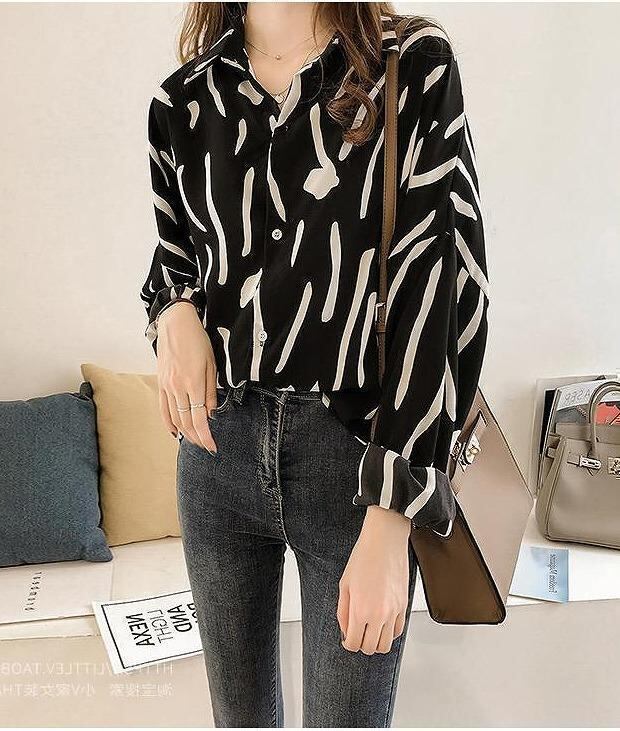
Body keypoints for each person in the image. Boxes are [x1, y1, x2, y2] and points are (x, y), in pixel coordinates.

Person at [140, 2, 489, 726]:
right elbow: (177, 257)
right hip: (217, 448)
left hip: (354, 456)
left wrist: (393, 515)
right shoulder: (185, 99)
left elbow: (442, 290)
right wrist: (171, 313)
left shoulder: (409, 64)